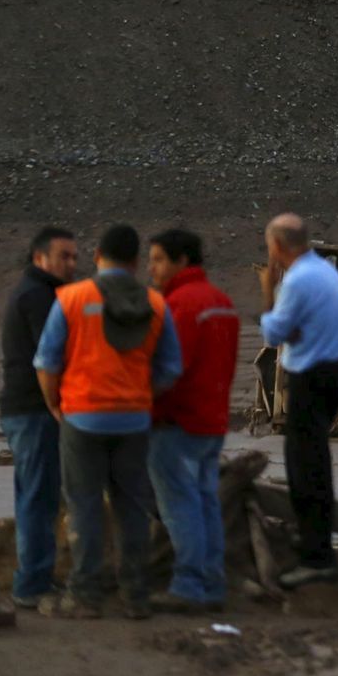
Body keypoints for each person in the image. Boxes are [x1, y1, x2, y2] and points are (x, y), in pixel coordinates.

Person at [34, 224, 182, 619]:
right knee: (132, 509)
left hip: (81, 418)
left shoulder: (71, 298)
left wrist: (55, 404)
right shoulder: (155, 303)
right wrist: (141, 395)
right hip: (133, 421)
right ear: (136, 261)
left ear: (97, 254)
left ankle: (85, 596)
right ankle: (135, 596)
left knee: (83, 507)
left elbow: (47, 362)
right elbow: (171, 368)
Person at [145, 228, 242, 614]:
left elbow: (169, 370)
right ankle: (212, 583)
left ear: (181, 261)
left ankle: (188, 586)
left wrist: (144, 407)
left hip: (177, 423)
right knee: (205, 502)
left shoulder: (178, 306)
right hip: (212, 421)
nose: (151, 268)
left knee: (180, 506)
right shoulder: (222, 303)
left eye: (157, 260)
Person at [258, 213, 338, 589]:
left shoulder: (296, 280)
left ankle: (316, 558)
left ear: (278, 246)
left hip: (311, 377)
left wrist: (268, 289)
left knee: (305, 469)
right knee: (315, 461)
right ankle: (315, 547)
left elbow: (273, 332)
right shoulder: (326, 273)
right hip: (333, 372)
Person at [0, 226, 77, 609]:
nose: (71, 264)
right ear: (39, 258)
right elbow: (53, 357)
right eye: (63, 256)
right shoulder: (38, 297)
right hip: (34, 410)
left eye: (74, 257)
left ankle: (38, 577)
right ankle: (31, 584)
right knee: (37, 497)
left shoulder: (42, 293)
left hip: (30, 410)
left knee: (40, 496)